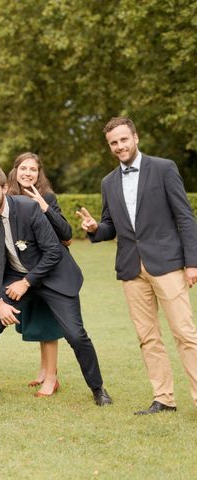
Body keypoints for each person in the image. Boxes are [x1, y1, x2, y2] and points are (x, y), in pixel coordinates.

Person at [0, 165, 112, 411]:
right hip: (16, 276)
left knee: (75, 334)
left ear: (5, 188)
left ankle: (98, 389)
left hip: (53, 275)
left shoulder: (28, 208)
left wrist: (27, 282)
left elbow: (53, 252)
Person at [77, 116, 197, 415]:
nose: (119, 146)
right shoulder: (109, 182)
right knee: (148, 337)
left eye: (123, 140)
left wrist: (192, 262)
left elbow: (185, 217)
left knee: (184, 333)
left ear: (136, 137)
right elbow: (109, 227)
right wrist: (94, 228)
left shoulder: (164, 168)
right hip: (131, 269)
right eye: (113, 143)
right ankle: (164, 398)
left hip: (168, 264)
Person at [7, 152, 72, 397]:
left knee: (47, 325)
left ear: (39, 173)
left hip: (47, 270)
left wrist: (45, 208)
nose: (28, 173)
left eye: (33, 169)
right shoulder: (9, 198)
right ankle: (44, 371)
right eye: (23, 168)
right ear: (15, 171)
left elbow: (65, 232)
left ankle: (52, 379)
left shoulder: (47, 196)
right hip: (24, 272)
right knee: (38, 323)